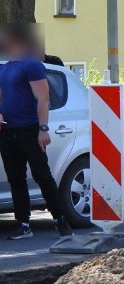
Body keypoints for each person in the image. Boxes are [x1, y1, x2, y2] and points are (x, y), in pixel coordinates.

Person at [0, 25, 73, 240]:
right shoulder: (5, 68)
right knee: (16, 179)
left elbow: (43, 98)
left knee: (42, 175)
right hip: (8, 131)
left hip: (29, 130)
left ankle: (60, 219)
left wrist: (43, 129)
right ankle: (23, 224)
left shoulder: (32, 65)